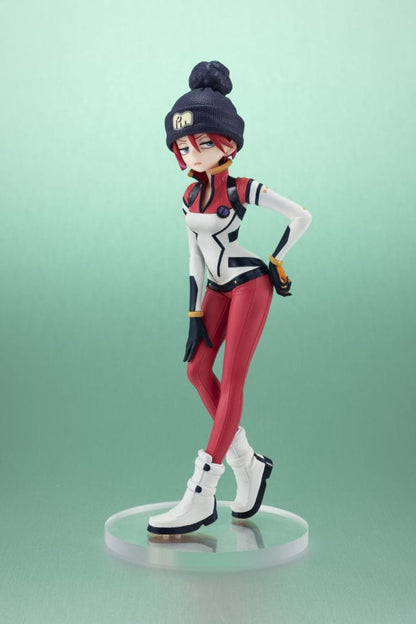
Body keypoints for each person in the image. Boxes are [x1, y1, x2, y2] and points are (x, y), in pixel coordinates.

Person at [147, 61, 312, 535]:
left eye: (203, 143)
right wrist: (193, 312)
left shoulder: (242, 189)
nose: (193, 154)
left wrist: (277, 259)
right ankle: (247, 462)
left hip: (249, 284)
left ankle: (202, 492)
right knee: (197, 370)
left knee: (233, 380)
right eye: (184, 146)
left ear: (228, 145)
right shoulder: (188, 197)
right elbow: (194, 256)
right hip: (216, 289)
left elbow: (300, 216)